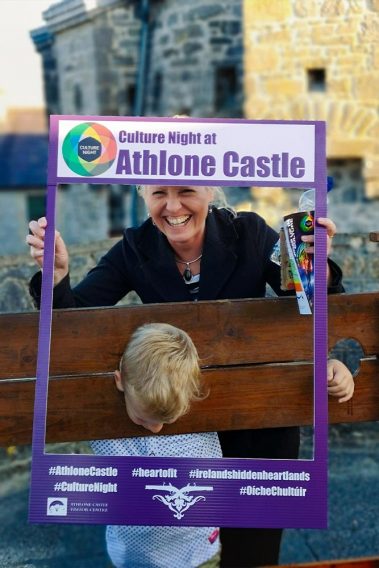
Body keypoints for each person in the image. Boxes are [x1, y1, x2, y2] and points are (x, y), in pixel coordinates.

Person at [27, 185, 354, 567]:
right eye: (159, 193)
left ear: (210, 190)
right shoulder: (135, 247)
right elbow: (75, 324)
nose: (172, 205)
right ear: (141, 193)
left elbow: (304, 303)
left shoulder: (248, 234)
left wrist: (319, 279)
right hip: (181, 439)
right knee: (180, 558)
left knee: (254, 557)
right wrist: (56, 276)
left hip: (258, 433)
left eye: (186, 191)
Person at [91, 322, 222, 568]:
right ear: (119, 381)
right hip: (133, 558)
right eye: (142, 418)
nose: (156, 428)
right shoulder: (104, 432)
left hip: (198, 553)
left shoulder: (201, 417)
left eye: (167, 420)